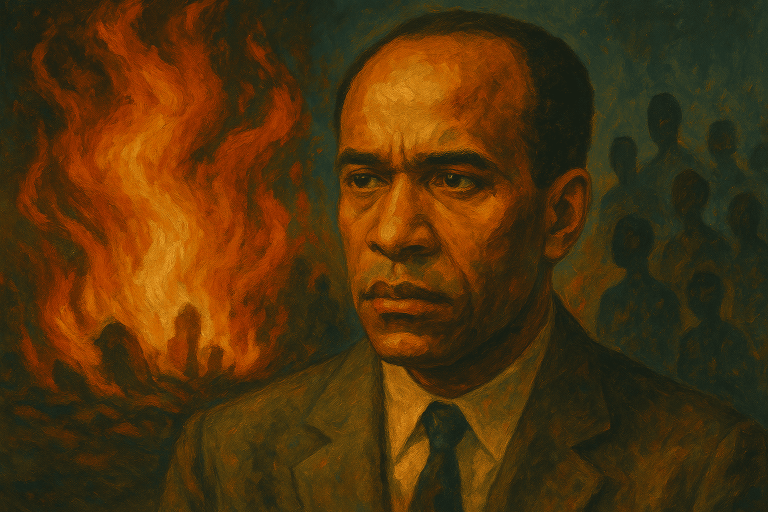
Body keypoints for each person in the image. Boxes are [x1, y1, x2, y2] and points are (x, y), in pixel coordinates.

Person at [158, 11, 767, 512]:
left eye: (455, 180)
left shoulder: (704, 470)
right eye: (365, 179)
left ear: (560, 216)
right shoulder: (225, 459)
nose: (393, 234)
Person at [596, 215, 681, 375]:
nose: (614, 245)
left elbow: (670, 357)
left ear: (638, 242)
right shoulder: (610, 299)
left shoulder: (664, 298)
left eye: (621, 238)